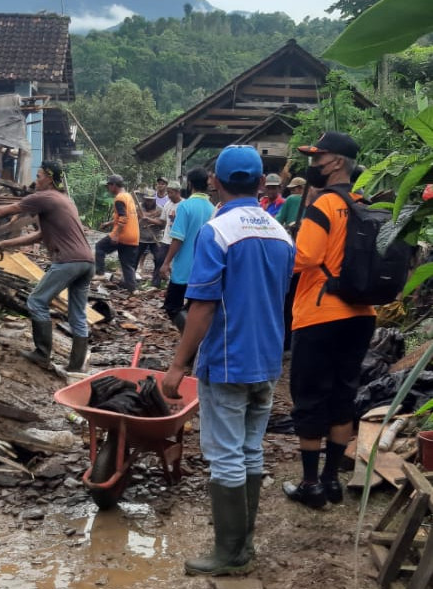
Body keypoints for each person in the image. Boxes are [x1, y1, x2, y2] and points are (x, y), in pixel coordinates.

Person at [162, 145, 294, 576]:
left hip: (226, 360)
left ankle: (228, 553)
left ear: (215, 182)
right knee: (251, 450)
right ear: (260, 184)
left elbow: (201, 305)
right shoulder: (281, 233)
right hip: (267, 359)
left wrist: (179, 365)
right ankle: (244, 544)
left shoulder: (218, 231)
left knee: (226, 457)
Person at [282, 131, 376, 509]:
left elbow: (302, 258)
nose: (314, 165)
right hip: (361, 315)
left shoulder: (322, 205)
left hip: (320, 313)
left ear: (336, 162)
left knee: (309, 397)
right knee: (343, 395)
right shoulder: (364, 205)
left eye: (319, 158)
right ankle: (332, 481)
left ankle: (310, 485)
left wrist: (284, 245)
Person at [0, 160, 94, 372]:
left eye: (38, 176)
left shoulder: (43, 197)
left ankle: (41, 354)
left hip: (68, 261)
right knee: (78, 315)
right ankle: (75, 367)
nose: (35, 180)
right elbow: (40, 235)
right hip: (86, 263)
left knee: (37, 301)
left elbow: (4, 211)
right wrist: (4, 243)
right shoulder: (65, 201)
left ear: (49, 178)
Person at [159, 167, 214, 332]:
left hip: (184, 267)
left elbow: (178, 238)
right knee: (193, 307)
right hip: (204, 268)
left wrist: (166, 262)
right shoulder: (213, 208)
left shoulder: (185, 207)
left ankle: (191, 338)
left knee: (172, 306)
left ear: (189, 184)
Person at [95, 174, 140, 293]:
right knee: (126, 264)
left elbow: (123, 218)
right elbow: (125, 216)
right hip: (133, 236)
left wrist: (115, 234)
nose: (108, 188)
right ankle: (133, 290)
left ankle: (100, 273)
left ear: (114, 185)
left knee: (99, 247)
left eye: (109, 185)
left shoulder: (119, 198)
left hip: (122, 235)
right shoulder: (128, 196)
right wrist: (109, 223)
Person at [135, 193, 163, 286]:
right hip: (141, 238)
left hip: (155, 239)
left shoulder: (160, 209)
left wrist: (149, 220)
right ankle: (129, 280)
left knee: (159, 259)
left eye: (151, 200)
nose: (149, 202)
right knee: (134, 259)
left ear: (154, 200)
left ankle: (156, 283)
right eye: (147, 199)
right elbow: (133, 221)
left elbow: (163, 223)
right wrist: (140, 218)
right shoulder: (138, 208)